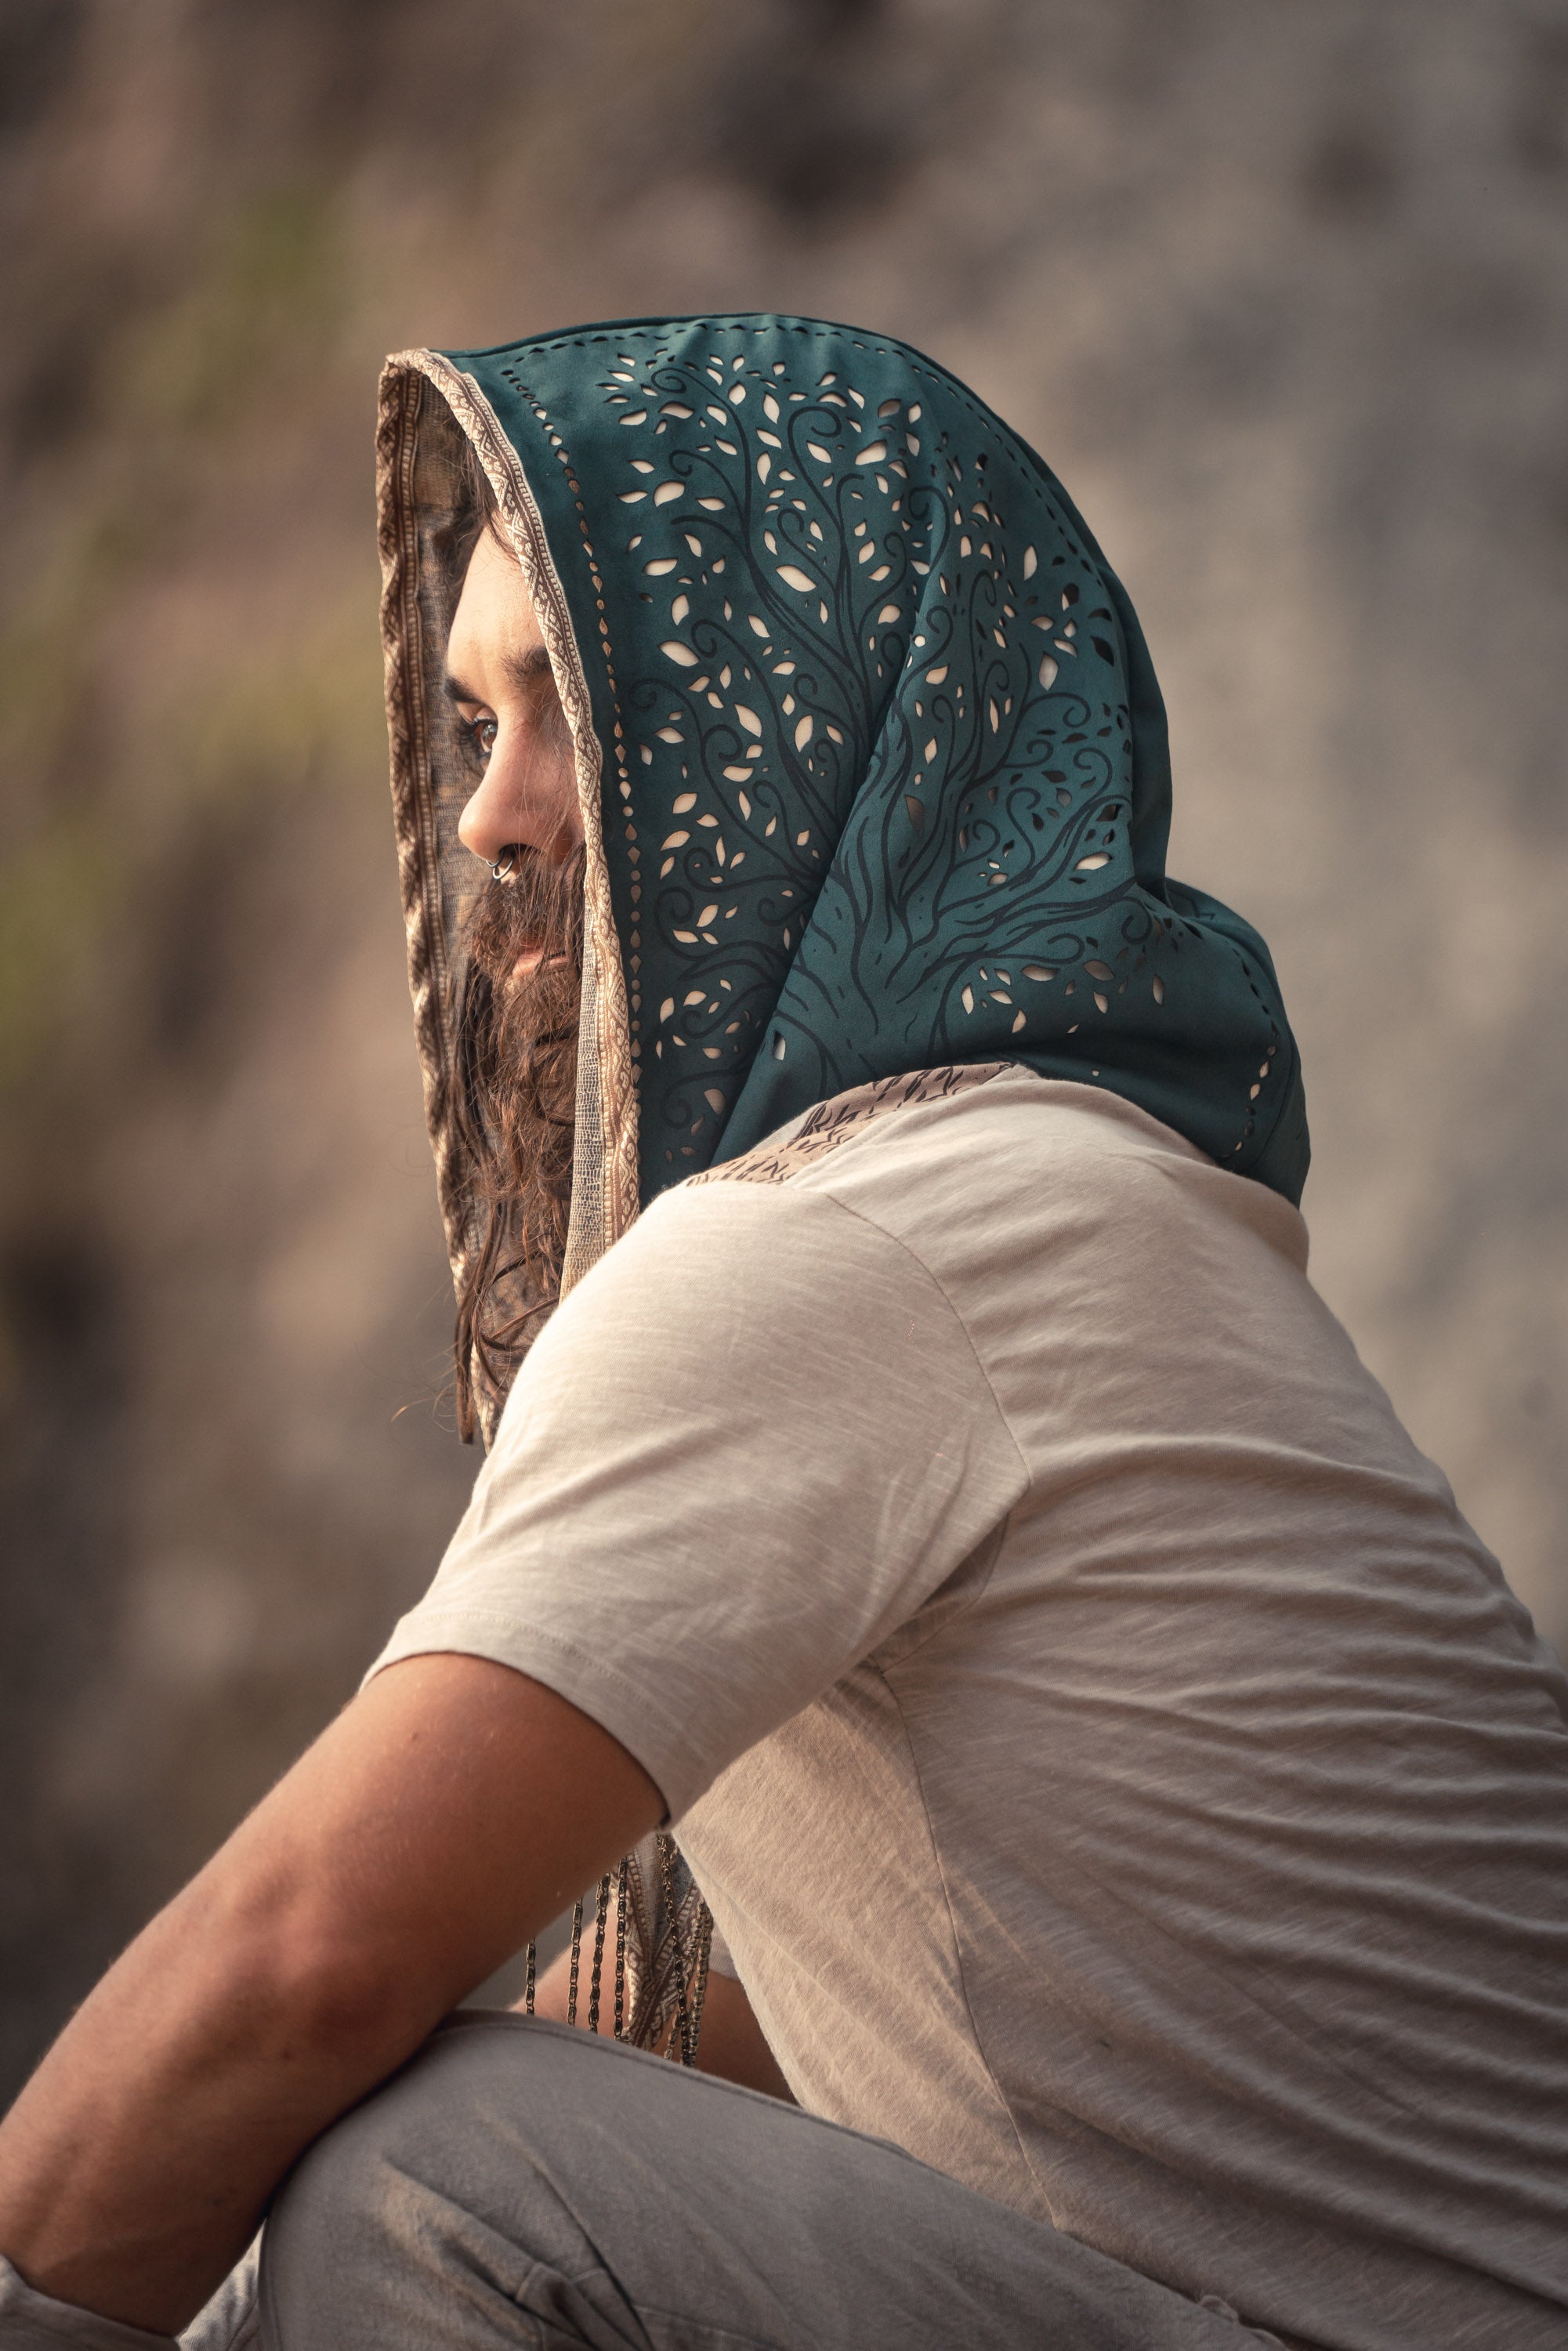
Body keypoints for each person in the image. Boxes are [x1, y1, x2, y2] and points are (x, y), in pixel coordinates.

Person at [0, 312, 1564, 2351]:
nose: (488, 817)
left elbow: (297, 1966)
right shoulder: (1057, 1188)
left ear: (817, 732)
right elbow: (891, 2034)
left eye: (573, 708)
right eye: (471, 723)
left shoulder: (855, 1241)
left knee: (450, 2175)